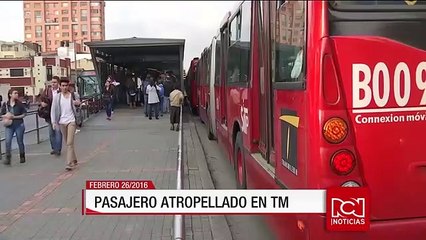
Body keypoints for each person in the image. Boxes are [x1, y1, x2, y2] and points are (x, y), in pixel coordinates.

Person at [50, 79, 81, 171]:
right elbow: (53, 109)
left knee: (69, 142)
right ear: (60, 86)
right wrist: (53, 122)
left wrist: (77, 103)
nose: (64, 87)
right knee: (68, 142)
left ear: (68, 86)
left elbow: (79, 103)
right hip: (61, 122)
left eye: (66, 86)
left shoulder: (73, 95)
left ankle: (69, 163)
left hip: (71, 121)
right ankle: (74, 159)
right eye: (62, 86)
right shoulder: (57, 97)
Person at [1, 89, 27, 164]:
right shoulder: (6, 104)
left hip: (19, 124)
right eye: (15, 93)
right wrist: (6, 115)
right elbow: (1, 114)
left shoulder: (20, 104)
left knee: (20, 141)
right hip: (9, 125)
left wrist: (14, 117)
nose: (17, 94)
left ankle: (22, 156)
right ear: (10, 95)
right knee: (8, 141)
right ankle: (8, 157)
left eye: (17, 93)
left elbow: (24, 114)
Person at [41, 76, 62, 155]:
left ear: (58, 83)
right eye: (52, 82)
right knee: (51, 133)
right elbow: (41, 99)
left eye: (55, 82)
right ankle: (54, 148)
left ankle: (58, 149)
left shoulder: (60, 91)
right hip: (49, 114)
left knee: (58, 132)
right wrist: (42, 104)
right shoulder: (47, 91)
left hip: (59, 115)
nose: (53, 84)